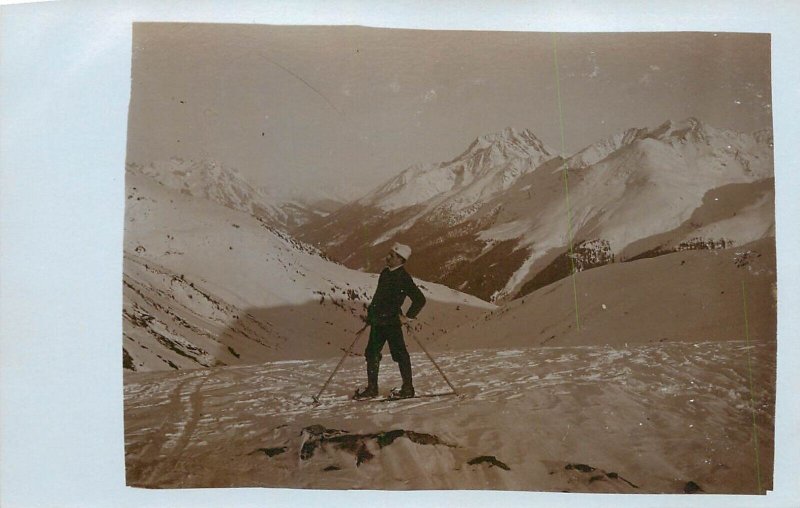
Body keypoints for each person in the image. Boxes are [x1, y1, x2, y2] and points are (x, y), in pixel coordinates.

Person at [354, 242, 426, 400]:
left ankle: (408, 389)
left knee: (400, 354)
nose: (387, 257)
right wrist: (371, 314)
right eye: (389, 254)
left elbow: (419, 299)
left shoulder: (403, 277)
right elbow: (378, 297)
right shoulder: (385, 273)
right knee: (371, 353)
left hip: (392, 322)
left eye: (391, 256)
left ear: (401, 260)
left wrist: (407, 317)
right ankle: (372, 389)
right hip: (378, 322)